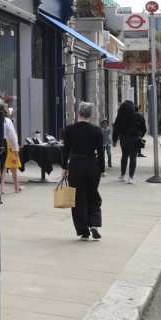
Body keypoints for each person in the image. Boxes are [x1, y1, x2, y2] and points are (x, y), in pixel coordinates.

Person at [62, 101, 106, 240]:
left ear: (78, 113)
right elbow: (100, 151)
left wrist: (64, 167)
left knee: (77, 198)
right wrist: (102, 169)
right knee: (93, 195)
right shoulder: (97, 130)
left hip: (75, 164)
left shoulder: (69, 129)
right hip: (92, 164)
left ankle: (83, 231)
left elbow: (65, 150)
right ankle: (94, 223)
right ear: (90, 115)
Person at [113, 100, 146, 183]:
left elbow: (116, 128)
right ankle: (131, 177)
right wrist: (140, 136)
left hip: (124, 138)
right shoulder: (138, 116)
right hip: (135, 138)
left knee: (124, 156)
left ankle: (123, 175)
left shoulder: (120, 116)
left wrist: (114, 140)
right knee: (133, 157)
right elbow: (144, 129)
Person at [0, 106, 22, 198]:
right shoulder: (6, 121)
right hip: (4, 144)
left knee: (0, 168)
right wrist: (16, 149)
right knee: (4, 167)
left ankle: (0, 188)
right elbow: (12, 136)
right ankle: (3, 189)